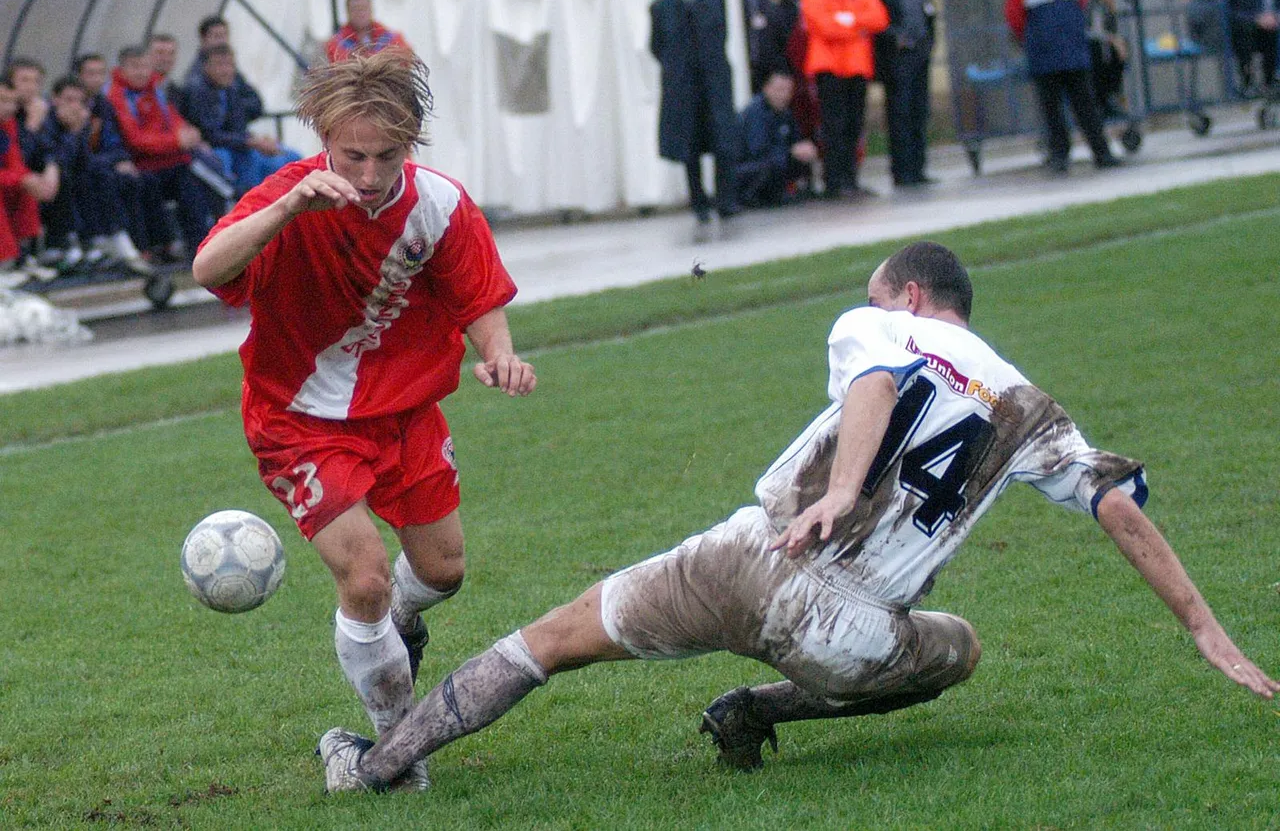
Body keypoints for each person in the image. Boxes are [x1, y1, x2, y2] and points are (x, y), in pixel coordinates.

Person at [315, 240, 1278, 792]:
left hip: (746, 556)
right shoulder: (1033, 408)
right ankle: (759, 708)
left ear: (911, 294)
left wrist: (843, 490)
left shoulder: (883, 324)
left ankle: (380, 764)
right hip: (850, 636)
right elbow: (1117, 505)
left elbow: (872, 382)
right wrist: (1203, 625)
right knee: (960, 649)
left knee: (552, 640)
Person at [191, 50, 537, 793]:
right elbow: (209, 268)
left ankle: (385, 629)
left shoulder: (438, 205)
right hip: (299, 419)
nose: (371, 173)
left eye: (388, 155)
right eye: (354, 155)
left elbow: (478, 296)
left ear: (410, 141)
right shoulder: (288, 197)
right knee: (367, 576)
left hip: (406, 412)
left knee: (442, 571)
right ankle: (394, 748)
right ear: (324, 138)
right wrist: (287, 210)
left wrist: (500, 353)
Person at [1005, 0, 1120, 174]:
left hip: (1074, 54)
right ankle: (1059, 156)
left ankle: (1102, 153)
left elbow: (1082, 5)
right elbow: (1015, 18)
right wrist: (1034, 43)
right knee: (1051, 110)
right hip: (1044, 58)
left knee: (1086, 106)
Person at [650, 0, 740, 223]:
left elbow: (721, 36)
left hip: (712, 83)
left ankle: (726, 200)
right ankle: (699, 201)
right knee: (690, 146)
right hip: (684, 87)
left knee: (722, 142)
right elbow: (657, 46)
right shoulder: (662, 6)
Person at [107, 45, 225, 259]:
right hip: (142, 163)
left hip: (167, 161)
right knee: (167, 179)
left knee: (194, 179)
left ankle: (202, 245)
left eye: (144, 66)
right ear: (122, 69)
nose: (141, 72)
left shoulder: (155, 90)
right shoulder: (117, 96)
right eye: (134, 67)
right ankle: (158, 247)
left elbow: (174, 120)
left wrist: (189, 134)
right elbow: (135, 140)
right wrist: (177, 141)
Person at [800, 0, 889, 199]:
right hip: (829, 70)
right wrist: (855, 26)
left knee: (853, 126)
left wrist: (847, 21)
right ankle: (834, 180)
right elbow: (824, 27)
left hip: (856, 68)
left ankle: (851, 178)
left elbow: (879, 18)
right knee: (833, 128)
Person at [41, 77, 150, 274]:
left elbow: (85, 160)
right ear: (55, 99)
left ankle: (111, 236)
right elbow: (57, 158)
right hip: (47, 180)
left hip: (76, 177)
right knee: (71, 179)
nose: (74, 106)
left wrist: (79, 132)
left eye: (79, 101)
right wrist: (74, 132)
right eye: (68, 100)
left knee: (106, 176)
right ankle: (74, 241)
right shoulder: (46, 121)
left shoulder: (84, 119)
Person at [186, 44, 301, 196]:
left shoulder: (231, 89)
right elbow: (209, 134)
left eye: (230, 65)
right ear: (206, 67)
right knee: (239, 158)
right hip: (210, 150)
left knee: (292, 158)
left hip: (236, 144)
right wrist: (249, 141)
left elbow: (249, 114)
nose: (226, 70)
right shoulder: (196, 91)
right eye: (220, 65)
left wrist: (256, 140)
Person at [873, 0, 937, 188]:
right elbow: (877, 24)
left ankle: (919, 169)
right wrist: (895, 38)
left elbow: (929, 17)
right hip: (898, 61)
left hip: (920, 57)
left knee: (919, 113)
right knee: (900, 115)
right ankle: (902, 172)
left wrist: (928, 45)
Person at [1188, 0, 1276, 94]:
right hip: (1215, 32)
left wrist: (1264, 18)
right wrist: (1255, 19)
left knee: (1270, 31)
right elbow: (1221, 13)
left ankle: (1269, 80)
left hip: (1241, 29)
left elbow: (1253, 8)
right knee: (1245, 30)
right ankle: (1247, 82)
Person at [0, 83, 57, 288]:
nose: (9, 107)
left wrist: (30, 179)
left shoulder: (9, 125)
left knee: (25, 189)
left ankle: (24, 257)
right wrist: (21, 178)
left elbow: (15, 161)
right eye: (3, 101)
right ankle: (3, 262)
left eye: (12, 102)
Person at [735, 69, 817, 207]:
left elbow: (795, 140)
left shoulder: (785, 113)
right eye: (779, 90)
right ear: (766, 88)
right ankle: (751, 198)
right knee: (769, 165)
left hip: (773, 160)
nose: (783, 95)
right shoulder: (755, 113)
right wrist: (790, 152)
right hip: (748, 168)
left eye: (787, 91)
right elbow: (757, 151)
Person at [741, 0, 789, 94]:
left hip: (765, 74)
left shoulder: (771, 6)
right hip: (744, 68)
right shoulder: (736, 1)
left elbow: (781, 42)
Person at [1087, 0, 1129, 119]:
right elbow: (1094, 30)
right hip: (1091, 46)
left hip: (1104, 46)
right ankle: (1103, 102)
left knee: (1117, 54)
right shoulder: (1093, 1)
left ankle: (1110, 99)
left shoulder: (1110, 0)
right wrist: (1113, 40)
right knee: (1103, 53)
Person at [325, 0, 412, 64]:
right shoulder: (336, 44)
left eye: (364, 8)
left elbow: (406, 61)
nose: (360, 13)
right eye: (355, 9)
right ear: (347, 12)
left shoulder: (392, 39)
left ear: (371, 10)